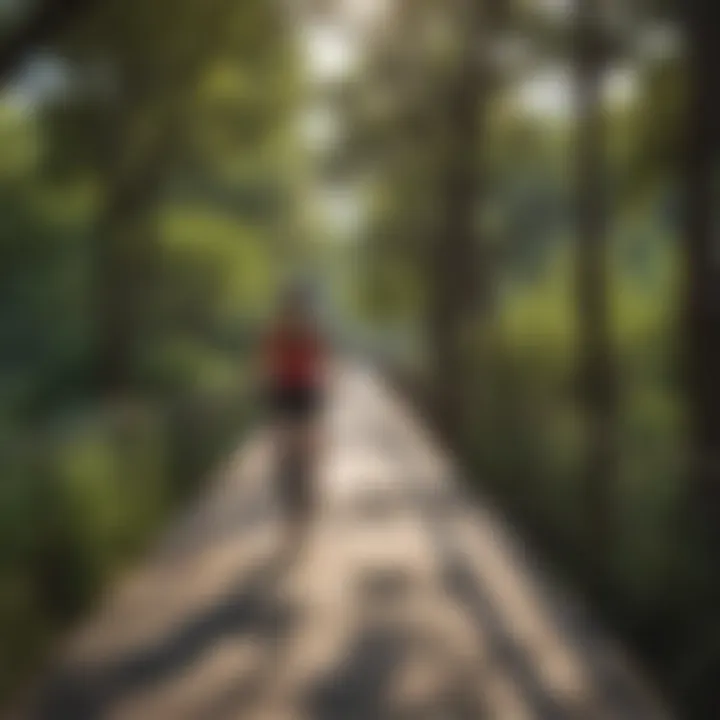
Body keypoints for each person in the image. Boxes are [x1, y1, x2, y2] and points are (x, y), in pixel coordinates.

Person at [258, 281, 328, 532]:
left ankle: (306, 489)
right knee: (284, 445)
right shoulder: (277, 334)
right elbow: (266, 363)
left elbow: (321, 363)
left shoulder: (310, 333)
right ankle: (289, 491)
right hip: (283, 391)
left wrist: (324, 385)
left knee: (307, 444)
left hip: (305, 392)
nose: (294, 312)